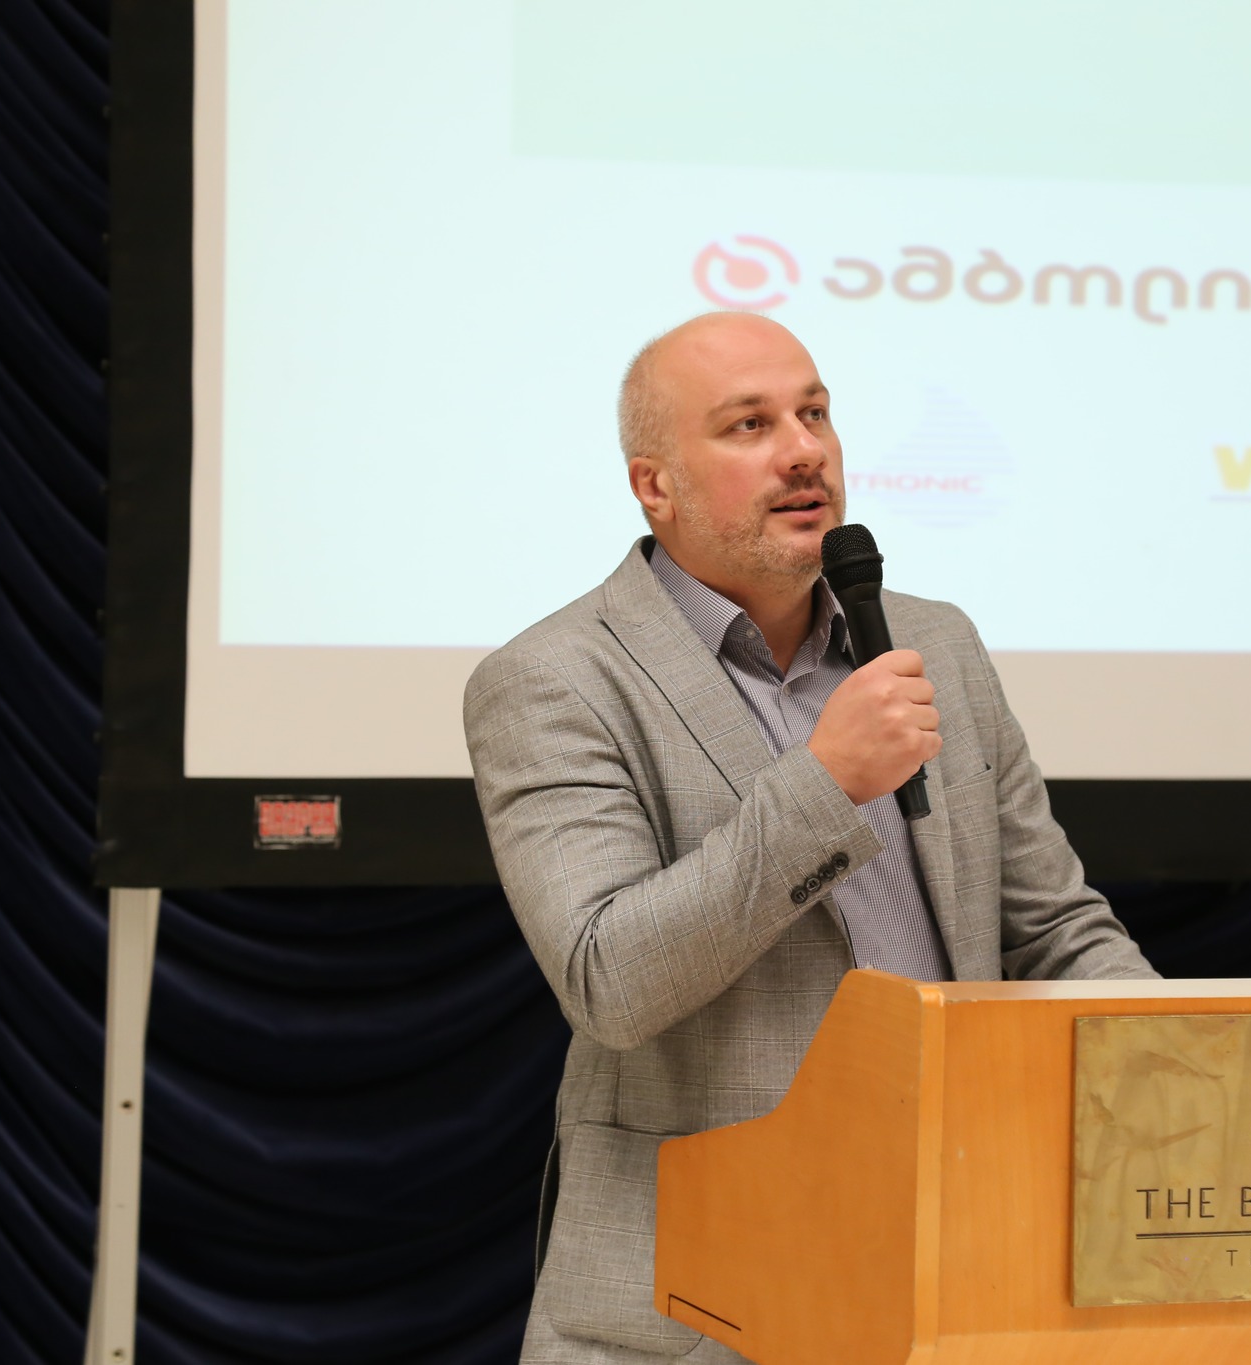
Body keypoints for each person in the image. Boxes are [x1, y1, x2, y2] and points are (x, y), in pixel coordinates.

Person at [464, 312, 1155, 1363]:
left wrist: (1183, 1062)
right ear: (654, 485)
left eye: (815, 413)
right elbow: (610, 980)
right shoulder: (553, 680)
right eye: (748, 425)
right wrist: (825, 785)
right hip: (698, 1302)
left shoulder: (935, 642)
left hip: (956, 1264)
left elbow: (1053, 930)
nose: (803, 451)